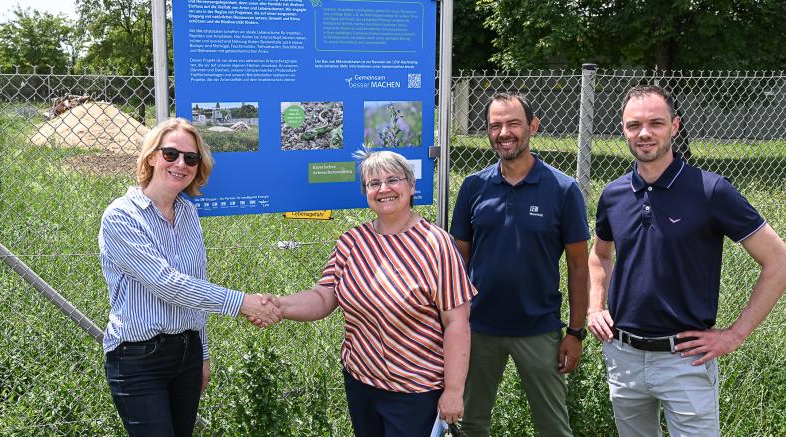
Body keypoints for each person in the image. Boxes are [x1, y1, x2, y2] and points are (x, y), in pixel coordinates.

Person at [587, 85, 786, 437]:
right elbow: (600, 254)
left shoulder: (710, 191)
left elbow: (780, 263)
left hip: (685, 359)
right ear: (623, 130)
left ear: (675, 126)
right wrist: (595, 306)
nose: (644, 133)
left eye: (656, 123)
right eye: (634, 125)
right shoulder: (613, 194)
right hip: (622, 356)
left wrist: (734, 335)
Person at [274, 150, 475, 436]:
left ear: (411, 186)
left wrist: (454, 390)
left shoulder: (437, 244)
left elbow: (457, 323)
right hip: (362, 384)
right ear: (365, 191)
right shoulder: (352, 241)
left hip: (415, 392)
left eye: (393, 180)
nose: (384, 189)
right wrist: (278, 306)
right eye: (373, 183)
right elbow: (322, 298)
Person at [99, 118, 279, 437]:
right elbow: (167, 284)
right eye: (171, 154)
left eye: (190, 158)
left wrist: (203, 354)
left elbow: (196, 283)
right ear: (152, 156)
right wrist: (243, 304)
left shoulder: (188, 213)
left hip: (187, 354)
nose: (181, 164)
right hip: (139, 359)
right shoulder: (121, 216)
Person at [450, 93, 590, 436]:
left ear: (533, 126)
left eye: (513, 123)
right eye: (495, 125)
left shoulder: (563, 189)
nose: (504, 132)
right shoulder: (473, 187)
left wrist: (575, 332)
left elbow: (579, 267)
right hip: (478, 328)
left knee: (554, 428)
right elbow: (455, 261)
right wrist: (451, 325)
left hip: (539, 329)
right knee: (469, 424)